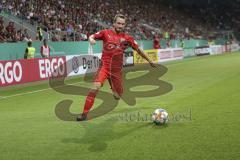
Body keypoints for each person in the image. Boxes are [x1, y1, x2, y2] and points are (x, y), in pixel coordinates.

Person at [76, 14, 156, 121]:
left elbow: (138, 50)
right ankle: (84, 114)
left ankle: (113, 87)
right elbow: (92, 36)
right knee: (95, 87)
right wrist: (91, 40)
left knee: (117, 96)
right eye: (118, 23)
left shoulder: (127, 38)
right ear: (114, 23)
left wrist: (149, 60)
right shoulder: (105, 33)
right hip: (104, 67)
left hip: (116, 71)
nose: (120, 25)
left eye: (122, 24)